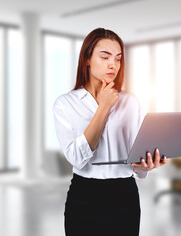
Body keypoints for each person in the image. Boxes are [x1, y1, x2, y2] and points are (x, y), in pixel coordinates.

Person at [53, 28, 168, 236]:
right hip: (84, 196)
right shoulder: (65, 104)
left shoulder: (131, 102)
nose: (112, 64)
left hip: (124, 196)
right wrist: (104, 107)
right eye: (105, 57)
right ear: (87, 59)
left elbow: (136, 161)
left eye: (117, 58)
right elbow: (77, 158)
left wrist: (145, 166)